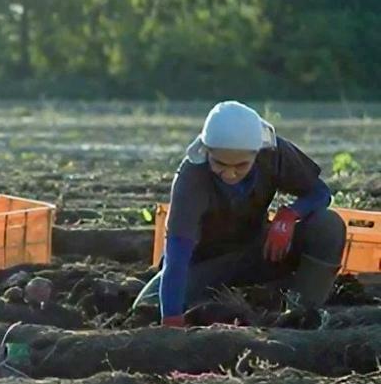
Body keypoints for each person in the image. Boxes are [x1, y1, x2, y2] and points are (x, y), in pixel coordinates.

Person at [134, 100, 346, 326]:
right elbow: (177, 256)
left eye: (241, 166)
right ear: (206, 152)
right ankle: (235, 302)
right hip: (207, 265)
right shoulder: (191, 178)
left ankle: (300, 313)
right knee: (149, 306)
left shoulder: (274, 154)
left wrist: (290, 214)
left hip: (259, 251)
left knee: (328, 225)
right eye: (220, 164)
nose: (230, 174)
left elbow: (320, 192)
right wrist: (172, 319)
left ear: (257, 153)